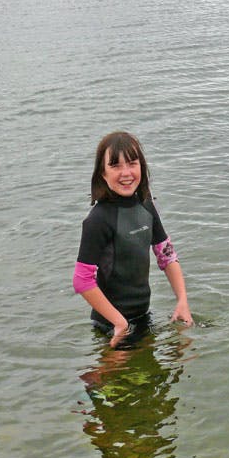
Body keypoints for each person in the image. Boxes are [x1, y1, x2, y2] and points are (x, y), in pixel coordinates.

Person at [73, 132, 193, 348]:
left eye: (132, 163)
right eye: (115, 166)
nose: (126, 173)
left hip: (142, 316)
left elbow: (167, 257)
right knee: (115, 380)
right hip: (111, 326)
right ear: (102, 173)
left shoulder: (146, 206)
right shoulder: (98, 219)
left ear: (142, 167)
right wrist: (119, 322)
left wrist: (182, 300)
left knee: (168, 369)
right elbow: (82, 281)